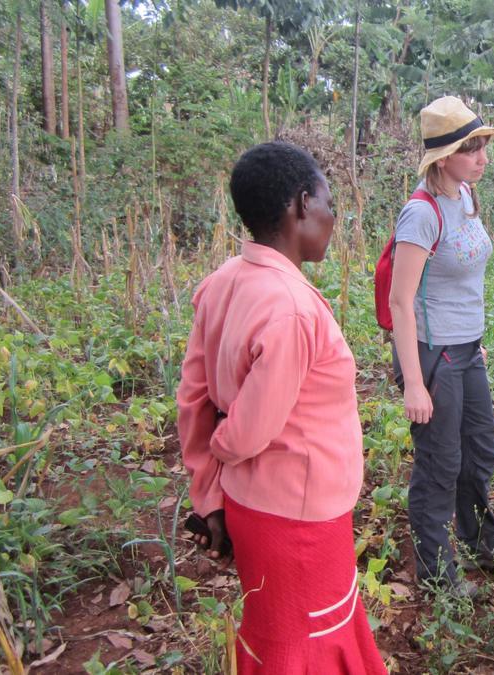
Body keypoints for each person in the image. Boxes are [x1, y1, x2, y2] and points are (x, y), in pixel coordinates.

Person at [176, 142, 387, 674]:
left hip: (256, 507)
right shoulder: (291, 310)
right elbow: (244, 431)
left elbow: (193, 398)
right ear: (299, 206)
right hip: (298, 521)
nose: (334, 218)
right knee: (304, 644)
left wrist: (210, 492)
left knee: (280, 635)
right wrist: (225, 444)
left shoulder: (224, 283)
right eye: (328, 202)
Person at [389, 96, 494, 595]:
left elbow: (463, 283)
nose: (482, 156)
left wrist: (473, 342)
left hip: (466, 349)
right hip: (433, 356)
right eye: (471, 148)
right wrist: (415, 382)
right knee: (440, 465)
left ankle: (481, 542)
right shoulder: (421, 214)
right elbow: (400, 302)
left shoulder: (464, 196)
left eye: (482, 146)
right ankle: (438, 576)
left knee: (480, 452)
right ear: (443, 158)